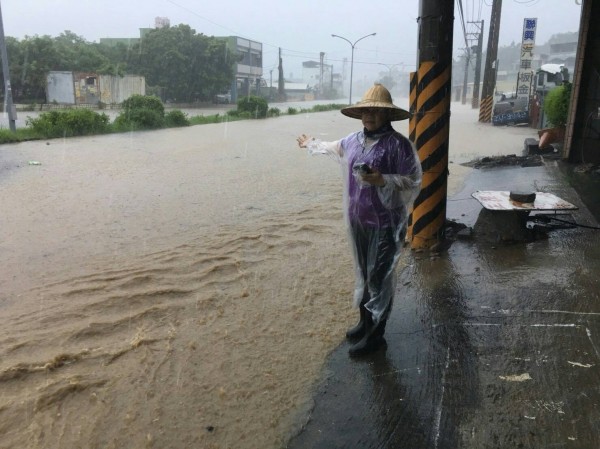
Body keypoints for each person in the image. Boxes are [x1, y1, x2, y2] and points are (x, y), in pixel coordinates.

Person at [297, 83, 422, 357]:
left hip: (387, 224)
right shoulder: (353, 140)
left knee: (379, 278)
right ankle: (365, 323)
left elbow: (413, 180)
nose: (369, 116)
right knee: (364, 275)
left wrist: (383, 179)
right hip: (358, 222)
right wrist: (311, 144)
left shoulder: (398, 145)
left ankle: (377, 335)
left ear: (387, 115)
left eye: (375, 112)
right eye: (365, 111)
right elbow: (333, 148)